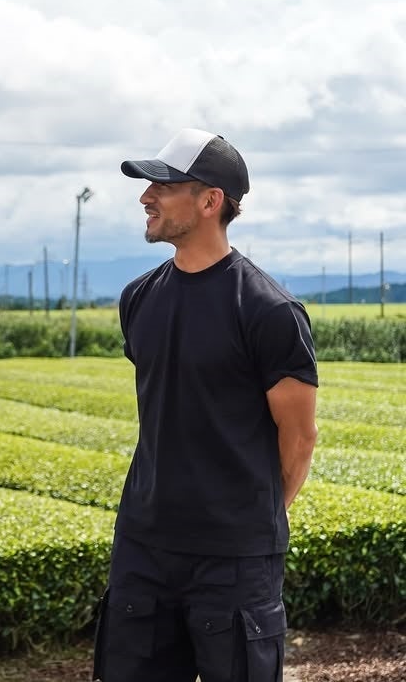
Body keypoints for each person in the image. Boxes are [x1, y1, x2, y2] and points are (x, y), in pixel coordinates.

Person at [92, 128, 318, 682]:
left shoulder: (269, 311)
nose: (146, 197)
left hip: (234, 561)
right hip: (144, 546)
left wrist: (248, 519)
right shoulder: (138, 298)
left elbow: (299, 438)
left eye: (164, 187)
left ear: (210, 200)